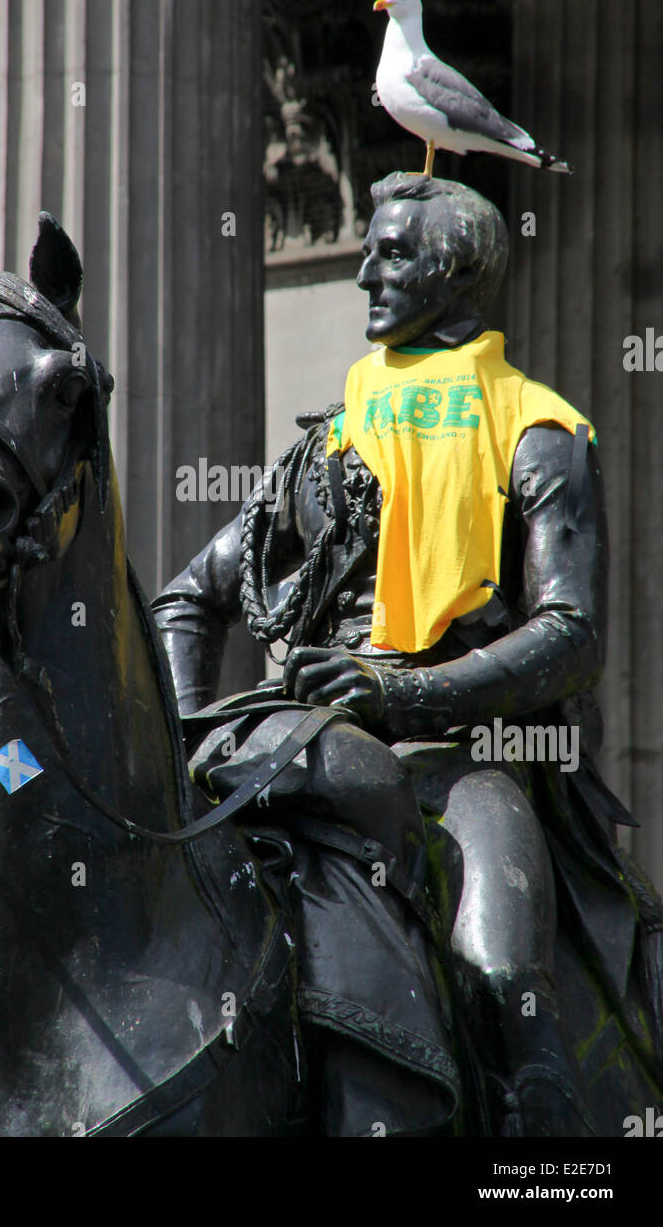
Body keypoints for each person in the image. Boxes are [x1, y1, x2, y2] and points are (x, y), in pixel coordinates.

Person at [153, 173, 662, 1136]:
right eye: (367, 250)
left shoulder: (539, 433)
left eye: (391, 254)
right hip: (288, 745)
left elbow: (571, 636)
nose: (362, 275)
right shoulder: (328, 447)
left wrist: (400, 690)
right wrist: (184, 736)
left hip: (461, 762)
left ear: (458, 271)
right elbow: (188, 597)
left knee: (506, 979)